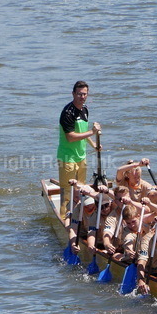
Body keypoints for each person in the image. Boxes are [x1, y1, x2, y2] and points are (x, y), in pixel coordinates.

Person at [57, 81, 101, 217]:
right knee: (67, 193)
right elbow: (70, 137)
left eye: (85, 94)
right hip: (67, 158)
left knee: (82, 189)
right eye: (79, 94)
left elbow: (82, 131)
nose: (82, 97)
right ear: (73, 94)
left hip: (81, 157)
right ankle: (64, 219)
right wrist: (92, 132)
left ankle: (80, 216)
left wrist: (93, 144)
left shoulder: (85, 109)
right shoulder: (67, 113)